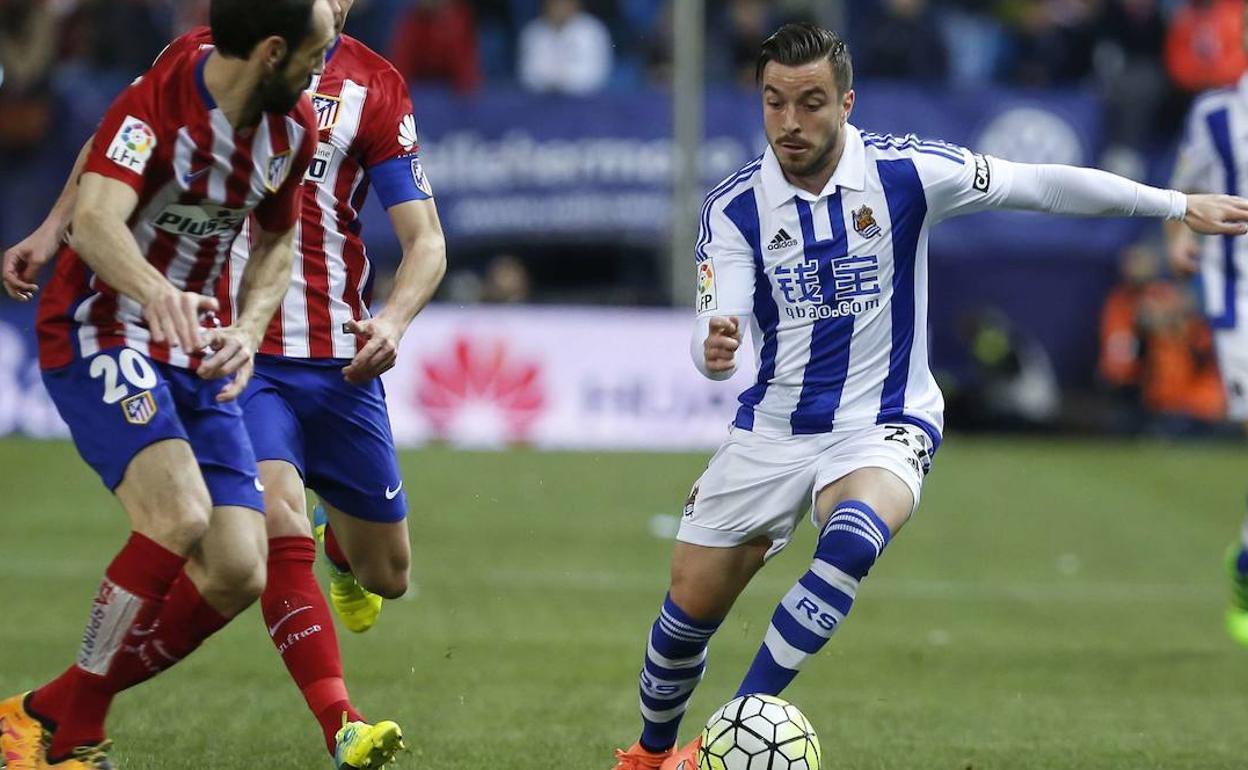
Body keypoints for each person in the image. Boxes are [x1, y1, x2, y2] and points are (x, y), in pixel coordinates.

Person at [611, 22, 1248, 770]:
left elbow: (1037, 183)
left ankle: (728, 733)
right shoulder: (734, 209)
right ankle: (651, 756)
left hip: (886, 419)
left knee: (850, 539)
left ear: (846, 102)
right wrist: (714, 350)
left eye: (811, 102)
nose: (790, 122)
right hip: (774, 430)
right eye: (775, 103)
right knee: (687, 613)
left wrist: (1173, 204)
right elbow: (714, 321)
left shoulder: (907, 172)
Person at [1, 0, 448, 766]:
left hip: (230, 347)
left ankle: (41, 712)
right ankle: (71, 742)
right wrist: (127, 274)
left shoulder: (300, 126)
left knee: (249, 570)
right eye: (309, 60)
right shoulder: (176, 79)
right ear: (274, 51)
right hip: (110, 323)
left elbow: (276, 245)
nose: (321, 72)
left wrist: (243, 327)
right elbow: (103, 208)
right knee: (180, 518)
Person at [1166, 0, 1248, 646]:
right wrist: (1176, 235)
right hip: (1238, 299)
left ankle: (1246, 557)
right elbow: (1183, 188)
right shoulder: (1218, 116)